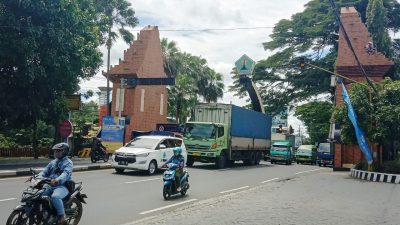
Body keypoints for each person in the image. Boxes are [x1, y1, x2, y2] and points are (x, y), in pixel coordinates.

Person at [39, 143, 73, 225]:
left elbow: (65, 174)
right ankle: (43, 212)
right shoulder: (53, 162)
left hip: (62, 186)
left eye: (59, 151)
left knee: (55, 197)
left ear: (65, 152)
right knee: (38, 195)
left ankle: (62, 216)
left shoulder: (68, 163)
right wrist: (37, 177)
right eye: (55, 151)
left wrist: (57, 180)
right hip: (49, 184)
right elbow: (44, 172)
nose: (56, 153)